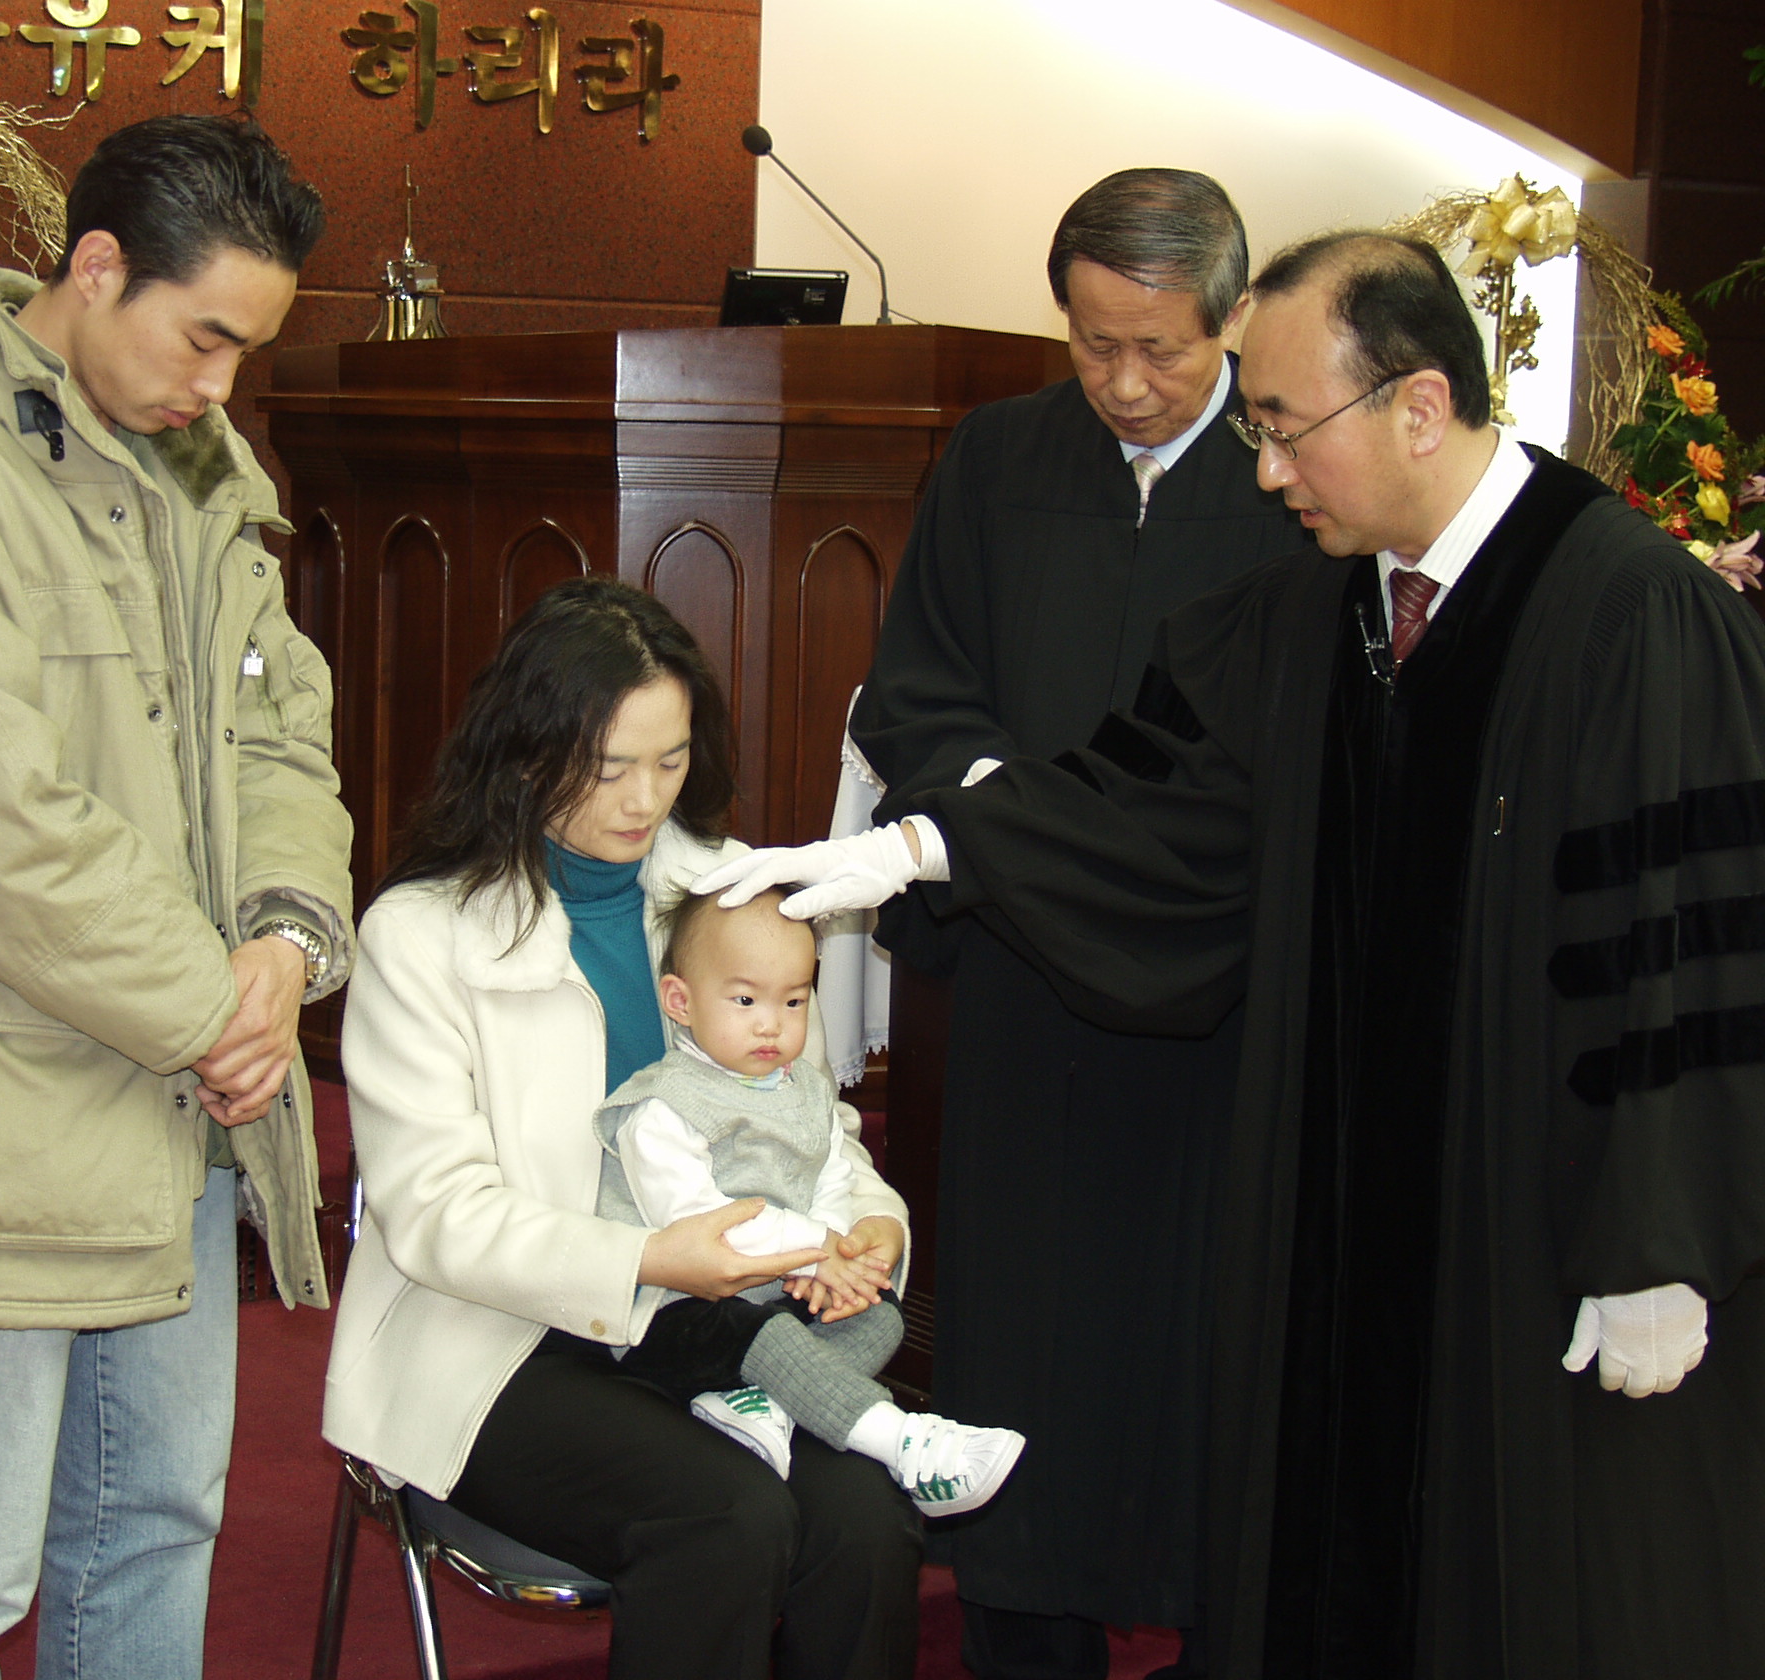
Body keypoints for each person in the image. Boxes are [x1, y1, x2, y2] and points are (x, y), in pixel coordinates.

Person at [703, 230, 1765, 1680]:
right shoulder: (1319, 611)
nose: (1265, 474)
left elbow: (1692, 957)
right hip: (1343, 1235)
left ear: (1420, 405)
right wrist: (923, 849)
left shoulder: (1631, 615)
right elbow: (1156, 810)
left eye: (1282, 429)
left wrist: (1662, 1248)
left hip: (1541, 1248)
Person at [0, 115, 353, 1680]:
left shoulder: (199, 470)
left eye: (247, 352)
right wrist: (211, 1009)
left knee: (159, 1519)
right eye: (204, 337)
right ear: (97, 268)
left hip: (186, 1085)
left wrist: (283, 945)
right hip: (15, 1094)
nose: (220, 387)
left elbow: (278, 727)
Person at [848, 166, 1301, 1680]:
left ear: (1229, 321)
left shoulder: (1287, 472)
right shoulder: (999, 456)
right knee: (1025, 1341)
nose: (1123, 381)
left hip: (1219, 992)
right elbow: (918, 681)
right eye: (1093, 342)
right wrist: (1001, 815)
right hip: (1027, 979)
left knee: (1202, 1347)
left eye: (1159, 348)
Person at [322, 577, 923, 1680]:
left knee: (865, 1516)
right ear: (524, 750)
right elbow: (437, 1217)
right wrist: (648, 1260)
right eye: (606, 768)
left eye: (671, 760)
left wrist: (873, 1227)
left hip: (721, 1322)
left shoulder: (727, 892)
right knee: (725, 1519)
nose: (644, 799)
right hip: (496, 1337)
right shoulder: (422, 935)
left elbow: (814, 1126)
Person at [594, 888, 1026, 1512]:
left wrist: (834, 1254)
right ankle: (904, 1442)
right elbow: (703, 1225)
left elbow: (829, 1177)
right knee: (763, 1331)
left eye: (793, 1000)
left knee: (877, 1314)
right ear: (681, 1001)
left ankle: (761, 1403)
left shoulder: (804, 1091)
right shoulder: (661, 1107)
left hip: (781, 1290)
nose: (771, 1023)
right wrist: (815, 1249)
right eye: (745, 1001)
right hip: (676, 1311)